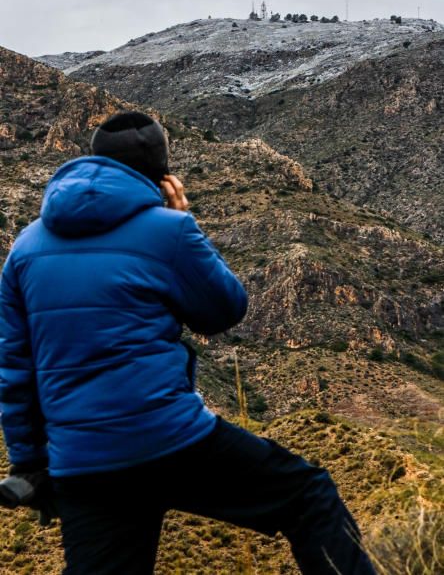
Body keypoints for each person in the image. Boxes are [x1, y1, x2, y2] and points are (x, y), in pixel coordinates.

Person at [0, 111, 375, 574]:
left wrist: (29, 463)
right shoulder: (168, 230)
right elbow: (222, 311)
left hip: (82, 460)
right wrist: (186, 223)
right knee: (308, 494)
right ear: (162, 171)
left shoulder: (24, 246)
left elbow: (15, 369)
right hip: (169, 437)